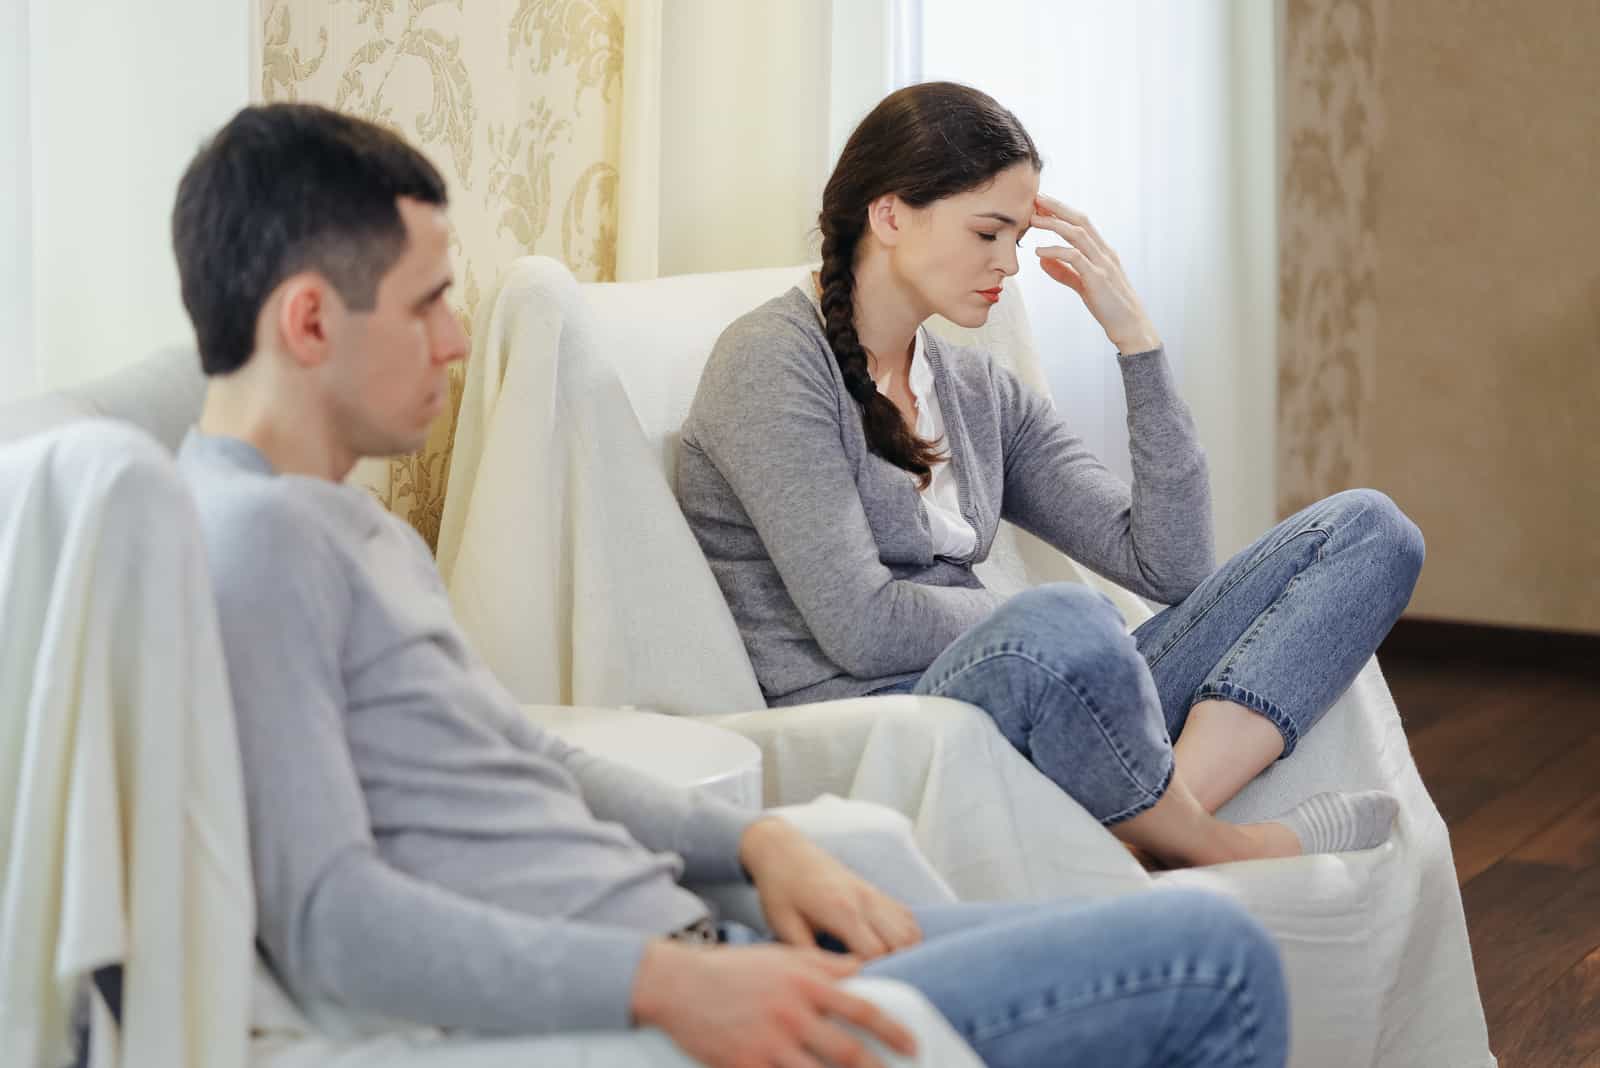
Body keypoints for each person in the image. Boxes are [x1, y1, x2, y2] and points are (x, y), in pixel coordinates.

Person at [169, 102, 1288, 1068]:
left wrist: (750, 843)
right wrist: (661, 981)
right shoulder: (251, 546)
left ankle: (1160, 809)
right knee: (1215, 954)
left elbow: (521, 757)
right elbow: (332, 920)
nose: (458, 341)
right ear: (309, 320)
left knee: (1181, 929)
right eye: (425, 304)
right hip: (677, 980)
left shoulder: (345, 533)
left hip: (712, 926)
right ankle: (1179, 821)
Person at [677, 81, 1420, 871]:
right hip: (889, 724)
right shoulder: (772, 360)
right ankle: (1213, 840)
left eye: (1018, 239)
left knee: (1372, 531)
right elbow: (858, 626)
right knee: (1064, 619)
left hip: (1049, 694)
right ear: (890, 215)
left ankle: (1153, 833)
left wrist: (1136, 342)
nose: (1008, 266)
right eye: (987, 233)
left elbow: (1171, 568)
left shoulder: (973, 390)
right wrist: (1049, 622)